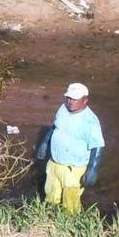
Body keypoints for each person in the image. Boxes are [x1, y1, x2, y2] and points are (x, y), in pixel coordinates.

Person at [36, 82, 104, 213]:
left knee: (70, 199)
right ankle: (49, 217)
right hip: (55, 163)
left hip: (73, 168)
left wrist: (93, 169)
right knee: (51, 193)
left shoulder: (90, 121)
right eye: (68, 98)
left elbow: (98, 147)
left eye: (74, 99)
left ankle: (70, 221)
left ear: (85, 100)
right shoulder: (63, 108)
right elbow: (55, 127)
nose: (70, 102)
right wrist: (44, 143)